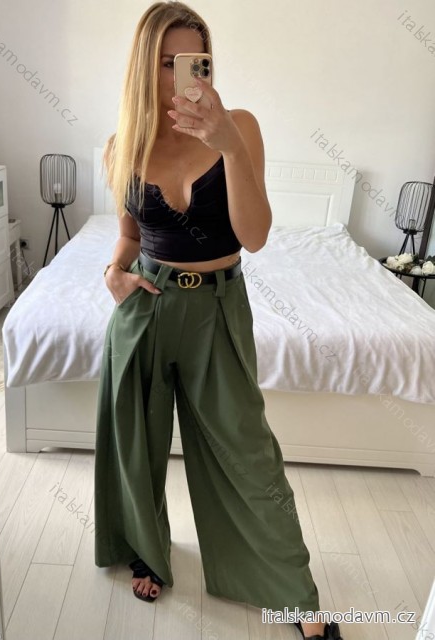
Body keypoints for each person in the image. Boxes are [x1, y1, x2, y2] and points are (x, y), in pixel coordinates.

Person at [94, 2, 343, 639]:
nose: (183, 76)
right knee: (137, 443)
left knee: (250, 454)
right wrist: (113, 273)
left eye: (194, 61)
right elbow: (130, 235)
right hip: (146, 308)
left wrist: (227, 145)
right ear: (143, 66)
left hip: (217, 307)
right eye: (166, 62)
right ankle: (146, 551)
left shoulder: (240, 128)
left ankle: (297, 598)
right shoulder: (122, 145)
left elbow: (253, 237)